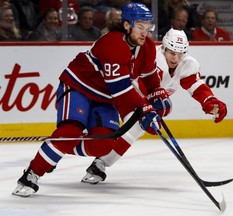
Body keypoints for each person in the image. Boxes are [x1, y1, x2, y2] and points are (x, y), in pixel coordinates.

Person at [12, 2, 171, 197]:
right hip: (79, 87)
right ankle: (32, 173)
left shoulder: (146, 46)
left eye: (148, 28)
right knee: (69, 131)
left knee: (103, 144)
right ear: (127, 25)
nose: (145, 33)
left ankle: (58, 148)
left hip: (104, 98)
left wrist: (157, 93)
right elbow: (120, 90)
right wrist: (144, 109)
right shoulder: (112, 43)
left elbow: (149, 78)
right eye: (140, 27)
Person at [80, 28, 227, 185]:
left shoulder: (187, 64)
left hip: (138, 100)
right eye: (171, 52)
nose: (175, 58)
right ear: (163, 48)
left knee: (138, 127)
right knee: (109, 129)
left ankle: (98, 165)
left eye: (180, 53)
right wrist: (151, 103)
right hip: (121, 92)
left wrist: (210, 101)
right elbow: (143, 84)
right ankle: (67, 146)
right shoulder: (154, 58)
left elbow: (196, 85)